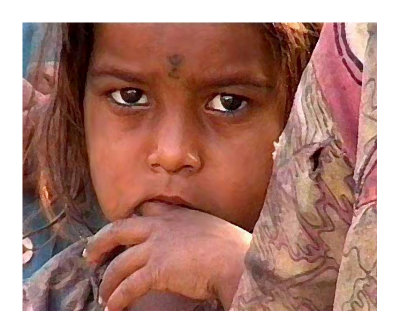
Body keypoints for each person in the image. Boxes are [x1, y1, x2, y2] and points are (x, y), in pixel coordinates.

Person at [22, 23, 321, 310]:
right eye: (130, 97)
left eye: (229, 103)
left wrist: (246, 280)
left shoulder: (338, 289)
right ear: (78, 106)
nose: (172, 154)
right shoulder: (49, 300)